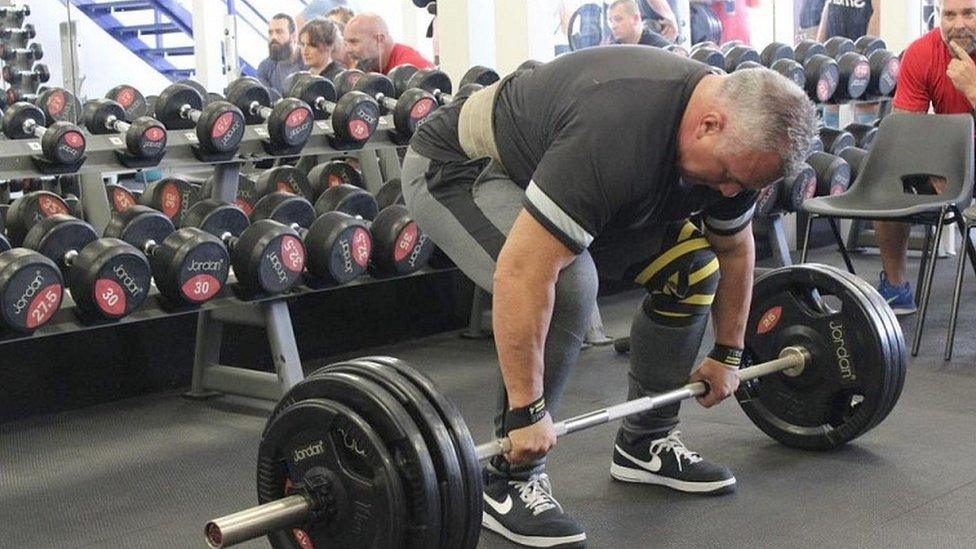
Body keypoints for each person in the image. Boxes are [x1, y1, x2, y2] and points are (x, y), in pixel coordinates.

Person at [402, 47, 816, 547]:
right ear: (709, 124)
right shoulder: (618, 131)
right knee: (570, 286)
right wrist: (527, 415)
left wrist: (728, 352)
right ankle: (508, 479)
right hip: (464, 167)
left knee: (692, 268)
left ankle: (646, 440)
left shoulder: (745, 148)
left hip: (564, 169)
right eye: (728, 175)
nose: (728, 192)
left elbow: (733, 248)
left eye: (743, 183)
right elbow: (523, 274)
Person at [873, 0, 975, 315]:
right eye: (950, 14)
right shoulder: (922, 52)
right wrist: (931, 164)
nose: (959, 24)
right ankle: (896, 287)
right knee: (889, 175)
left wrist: (972, 88)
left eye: (969, 14)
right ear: (938, 16)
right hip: (951, 159)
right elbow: (904, 131)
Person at [343, 12, 434, 74]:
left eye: (354, 42)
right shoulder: (369, 65)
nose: (348, 50)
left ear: (380, 40)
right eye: (346, 43)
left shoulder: (412, 68)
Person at [256, 13, 305, 95]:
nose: (274, 37)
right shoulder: (265, 67)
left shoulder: (308, 58)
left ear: (293, 36)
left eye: (279, 32)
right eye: (270, 33)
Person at [297, 18, 344, 82]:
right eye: (302, 44)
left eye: (312, 45)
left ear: (329, 46)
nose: (305, 51)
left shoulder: (340, 79)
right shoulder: (302, 77)